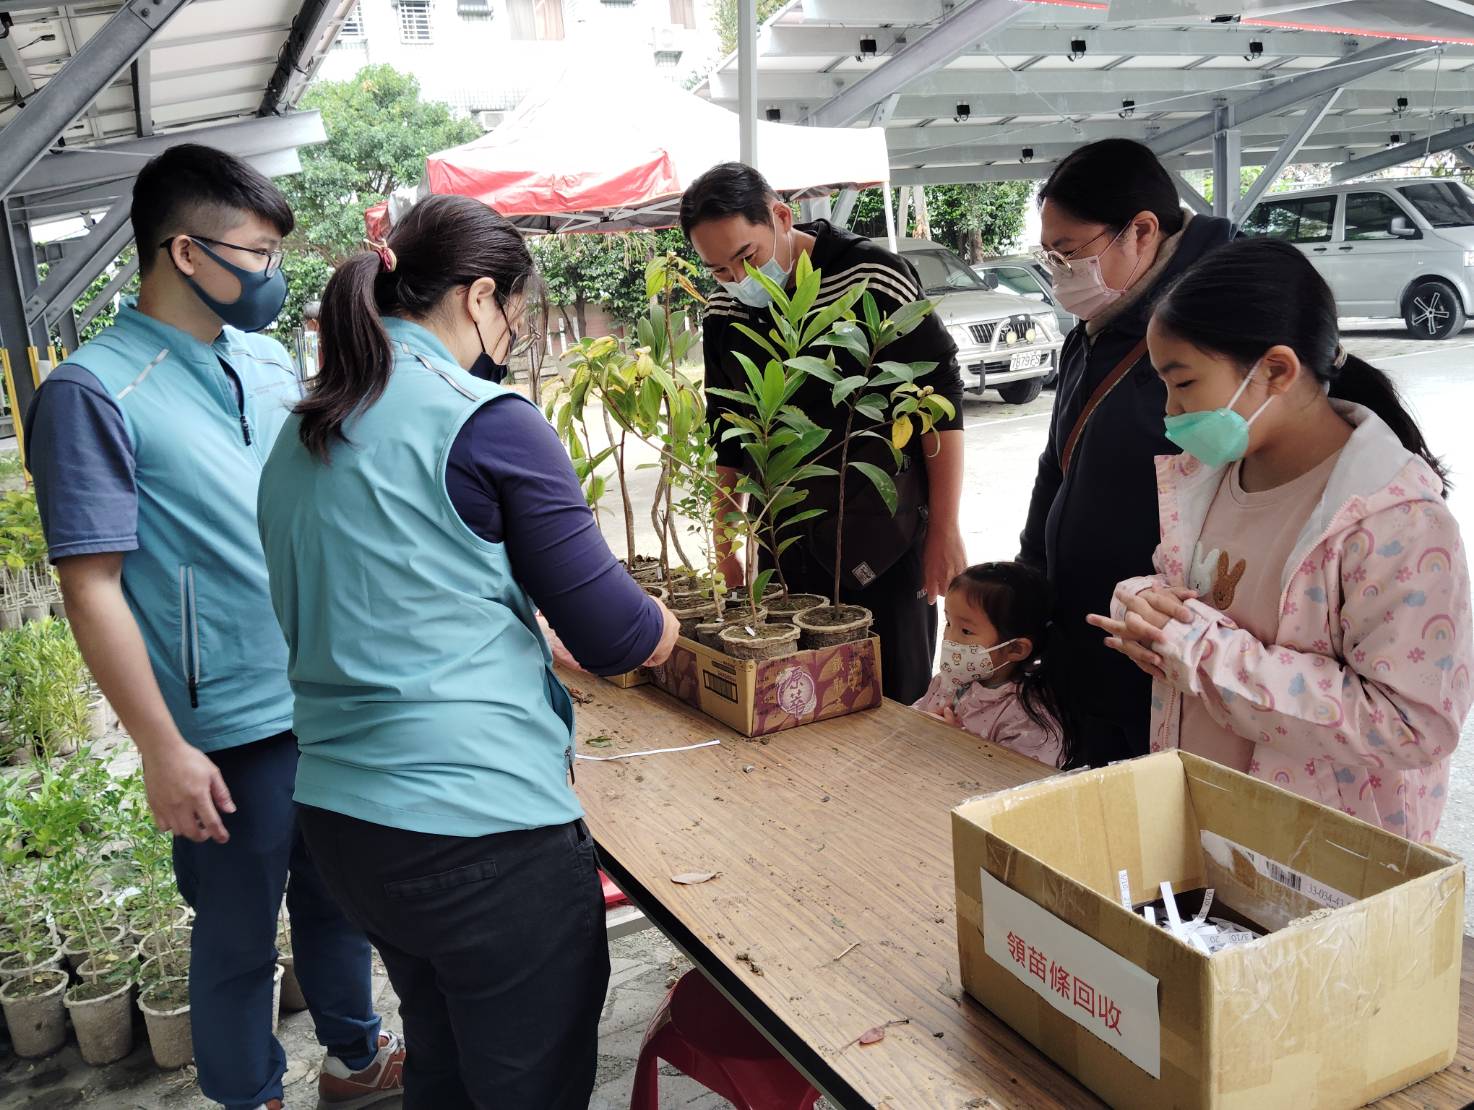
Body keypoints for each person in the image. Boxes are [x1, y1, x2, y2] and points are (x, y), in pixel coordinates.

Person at [256, 193, 680, 1108]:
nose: (511, 337)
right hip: (480, 839)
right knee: (528, 1083)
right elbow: (615, 636)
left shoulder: (304, 428)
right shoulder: (486, 420)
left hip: (344, 823)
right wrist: (664, 625)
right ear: (480, 296)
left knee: (444, 1062)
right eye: (516, 314)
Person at [24, 145, 401, 1110]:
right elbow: (91, 587)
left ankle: (355, 1062)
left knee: (339, 898)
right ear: (185, 253)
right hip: (224, 724)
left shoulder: (265, 358)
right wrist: (162, 748)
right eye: (257, 253)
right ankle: (249, 1095)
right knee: (236, 937)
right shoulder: (92, 391)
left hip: (323, 691)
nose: (273, 274)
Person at [1089, 238, 1472, 841]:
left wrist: (1200, 653)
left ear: (1275, 370)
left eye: (1183, 382)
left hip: (1320, 852)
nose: (1170, 410)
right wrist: (1143, 604)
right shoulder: (1208, 476)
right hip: (1203, 822)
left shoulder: (1395, 521)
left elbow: (1410, 724)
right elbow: (1190, 593)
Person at [680, 163, 966, 705]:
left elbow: (939, 400)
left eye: (748, 257)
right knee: (799, 700)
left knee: (893, 696)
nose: (739, 279)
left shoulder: (871, 276)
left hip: (885, 535)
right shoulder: (724, 307)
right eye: (718, 269)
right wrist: (726, 545)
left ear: (781, 217)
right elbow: (729, 430)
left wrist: (944, 530)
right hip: (785, 540)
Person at [1019, 138, 1234, 767]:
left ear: (1140, 231)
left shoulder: (1216, 323)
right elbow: (1056, 466)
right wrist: (1030, 580)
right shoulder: (1095, 328)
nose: (1060, 271)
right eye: (1050, 254)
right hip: (1089, 637)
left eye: (1069, 252)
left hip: (1166, 642)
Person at [914, 562, 1077, 769]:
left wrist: (957, 742)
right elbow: (914, 717)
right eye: (948, 623)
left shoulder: (1028, 717)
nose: (949, 638)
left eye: (966, 631)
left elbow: (1018, 779)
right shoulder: (951, 680)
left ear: (1015, 649)